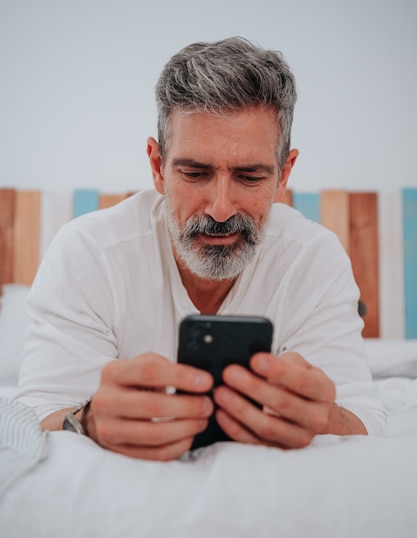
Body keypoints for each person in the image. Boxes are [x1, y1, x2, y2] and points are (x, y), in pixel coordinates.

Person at [16, 37, 386, 460]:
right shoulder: (88, 254)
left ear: (284, 175)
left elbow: (365, 422)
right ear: (157, 167)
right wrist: (88, 421)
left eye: (250, 177)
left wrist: (321, 417)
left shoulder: (314, 259)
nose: (222, 209)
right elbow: (32, 417)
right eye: (195, 173)